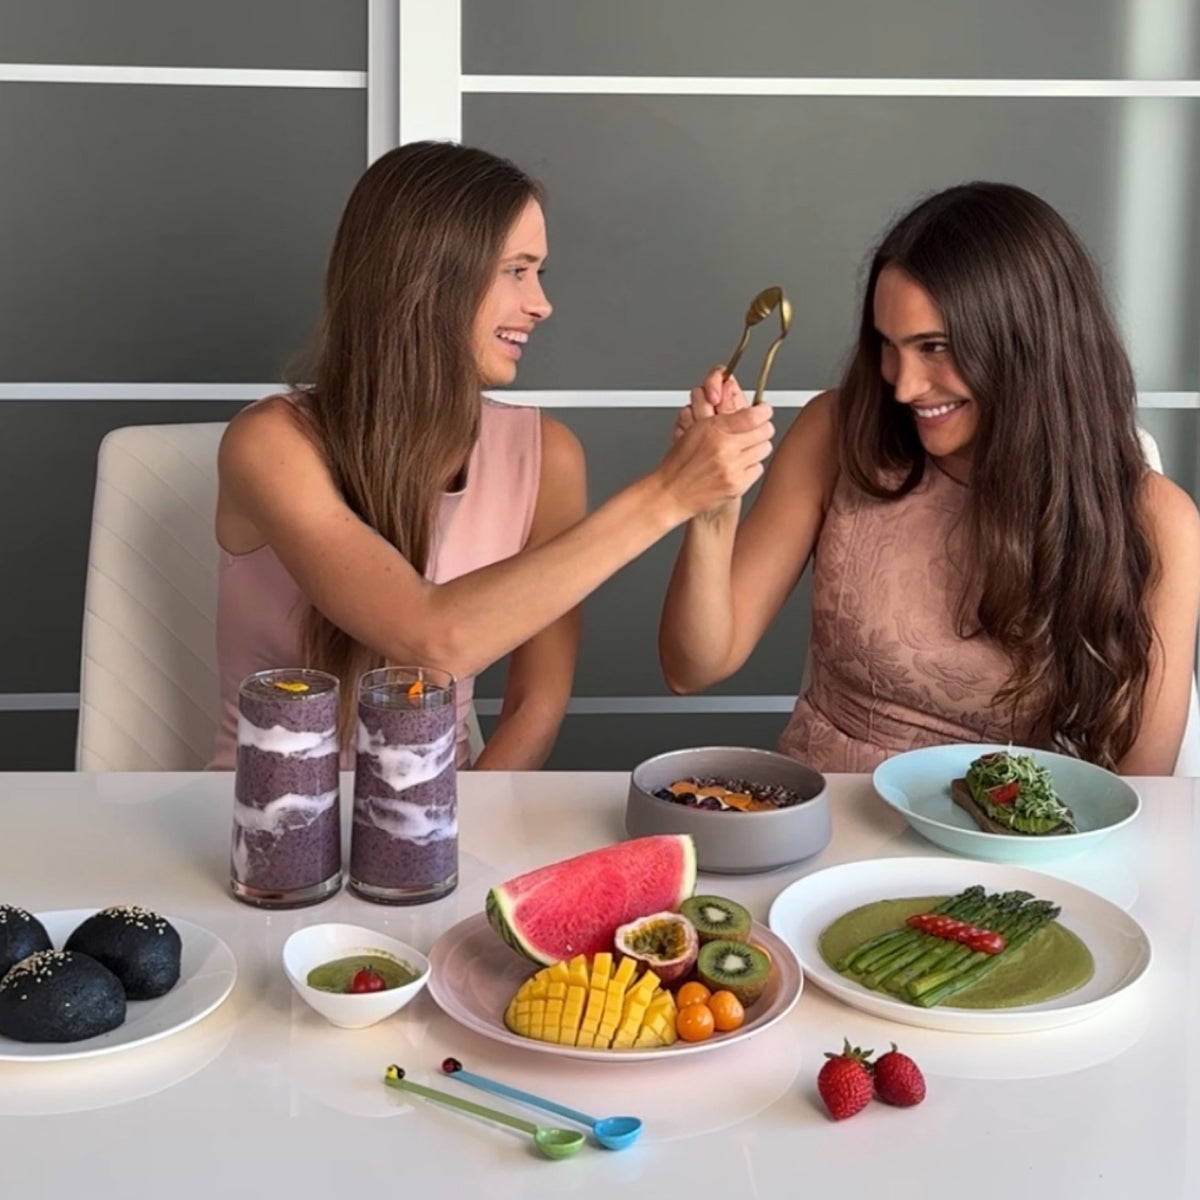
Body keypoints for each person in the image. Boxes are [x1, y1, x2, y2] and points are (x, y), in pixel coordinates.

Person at [213, 140, 774, 770]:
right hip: (259, 825)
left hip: (442, 823)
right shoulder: (270, 443)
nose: (541, 303)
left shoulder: (546, 456)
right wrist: (668, 493)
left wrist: (450, 830)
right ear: (423, 277)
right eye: (516, 270)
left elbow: (535, 702)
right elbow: (432, 639)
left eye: (540, 272)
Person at [659, 181, 1200, 774]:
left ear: (1028, 346)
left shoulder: (1158, 523)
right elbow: (692, 668)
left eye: (935, 347)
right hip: (819, 828)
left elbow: (1142, 792)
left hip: (1001, 848)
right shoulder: (837, 434)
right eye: (889, 345)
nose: (903, 385)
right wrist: (712, 509)